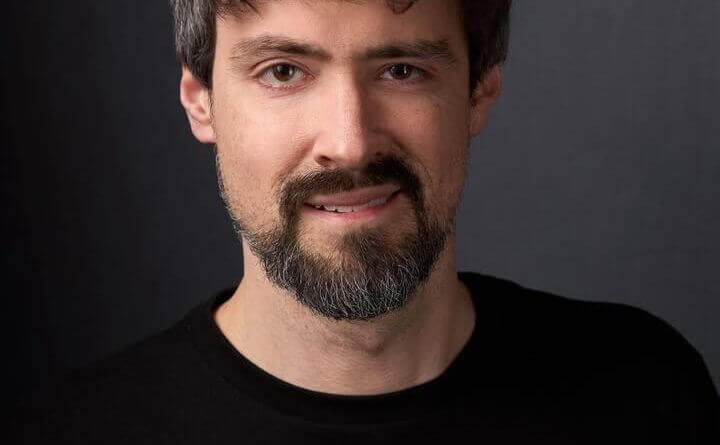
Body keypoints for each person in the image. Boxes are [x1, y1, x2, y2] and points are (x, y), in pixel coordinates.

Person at [9, 0, 719, 443]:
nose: (349, 143)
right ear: (201, 101)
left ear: (479, 90)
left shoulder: (647, 395)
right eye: (283, 71)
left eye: (401, 69)